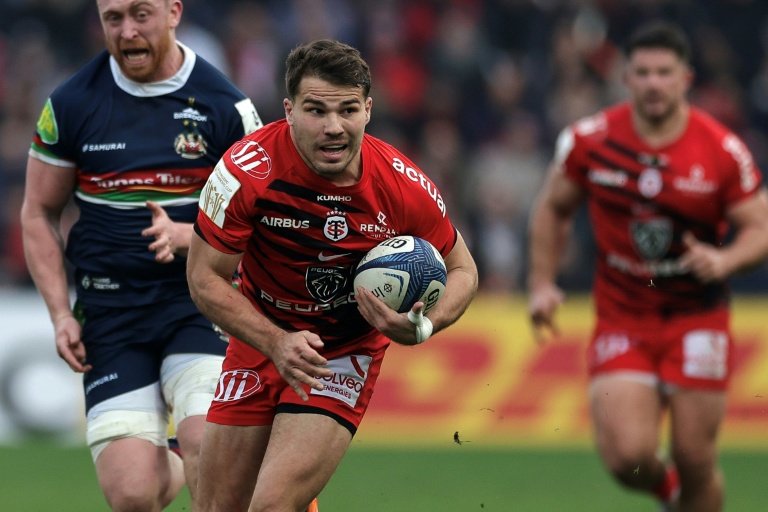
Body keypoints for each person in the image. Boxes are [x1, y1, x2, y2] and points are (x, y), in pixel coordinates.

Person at [186, 39, 478, 512]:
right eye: (316, 110)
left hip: (342, 352)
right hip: (259, 336)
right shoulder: (246, 171)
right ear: (289, 111)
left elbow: (464, 269)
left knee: (271, 506)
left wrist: (425, 325)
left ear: (368, 110)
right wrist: (275, 342)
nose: (334, 127)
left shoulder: (401, 184)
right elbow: (203, 278)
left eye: (348, 110)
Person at [20, 0, 263, 510]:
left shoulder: (226, 105)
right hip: (110, 312)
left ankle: (191, 452)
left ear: (174, 12)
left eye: (141, 14)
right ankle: (175, 457)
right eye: (113, 18)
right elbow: (38, 212)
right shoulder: (70, 104)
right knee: (132, 495)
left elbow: (264, 222)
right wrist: (60, 314)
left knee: (207, 448)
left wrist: (193, 238)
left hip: (201, 303)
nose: (127, 30)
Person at [527, 20, 768, 512]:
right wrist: (542, 283)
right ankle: (669, 495)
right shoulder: (590, 141)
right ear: (627, 78)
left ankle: (686, 488)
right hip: (623, 316)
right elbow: (553, 208)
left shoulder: (722, 150)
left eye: (664, 72)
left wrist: (725, 259)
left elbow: (760, 230)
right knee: (628, 457)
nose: (653, 83)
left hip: (697, 317)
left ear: (685, 79)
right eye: (643, 73)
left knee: (695, 456)